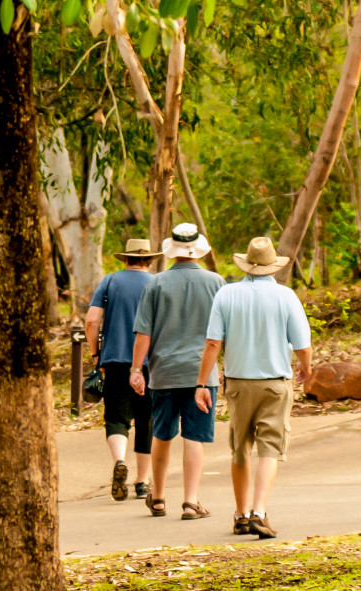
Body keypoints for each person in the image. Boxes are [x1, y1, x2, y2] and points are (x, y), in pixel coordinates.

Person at [196, 237, 312, 539]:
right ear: (273, 266)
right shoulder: (285, 296)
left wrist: (201, 383)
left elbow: (212, 343)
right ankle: (259, 512)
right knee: (270, 448)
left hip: (238, 383)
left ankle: (241, 514)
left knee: (240, 447)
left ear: (246, 265)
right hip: (275, 384)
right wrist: (306, 368)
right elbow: (302, 345)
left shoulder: (226, 294)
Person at [130, 223, 225, 521]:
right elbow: (224, 332)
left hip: (164, 372)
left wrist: (136, 369)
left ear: (172, 250)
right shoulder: (216, 283)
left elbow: (143, 333)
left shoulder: (156, 283)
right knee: (194, 437)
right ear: (198, 250)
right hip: (202, 375)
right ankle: (190, 502)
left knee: (161, 434)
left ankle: (158, 498)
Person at [85, 239, 161, 502]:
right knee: (146, 419)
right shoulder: (157, 283)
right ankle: (142, 482)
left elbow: (91, 320)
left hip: (115, 360)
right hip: (150, 361)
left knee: (116, 417)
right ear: (149, 260)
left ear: (126, 259)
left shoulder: (110, 281)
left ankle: (119, 461)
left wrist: (96, 353)